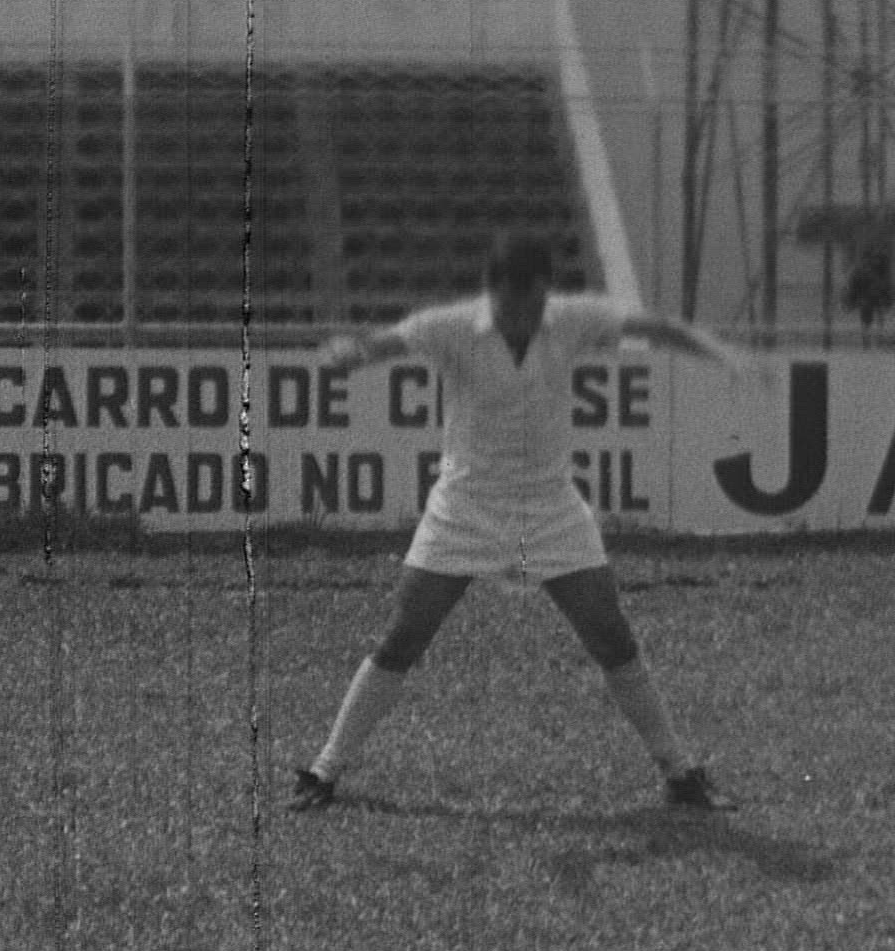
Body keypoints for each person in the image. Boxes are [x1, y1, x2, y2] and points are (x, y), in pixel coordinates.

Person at [287, 233, 748, 813]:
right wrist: (349, 355)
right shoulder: (452, 326)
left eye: (528, 306)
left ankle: (680, 772)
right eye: (508, 306)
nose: (518, 318)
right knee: (404, 636)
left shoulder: (572, 319)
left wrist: (728, 358)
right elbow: (386, 343)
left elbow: (654, 327)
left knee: (612, 637)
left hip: (550, 506)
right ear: (492, 291)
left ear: (544, 293)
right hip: (466, 505)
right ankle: (325, 769)